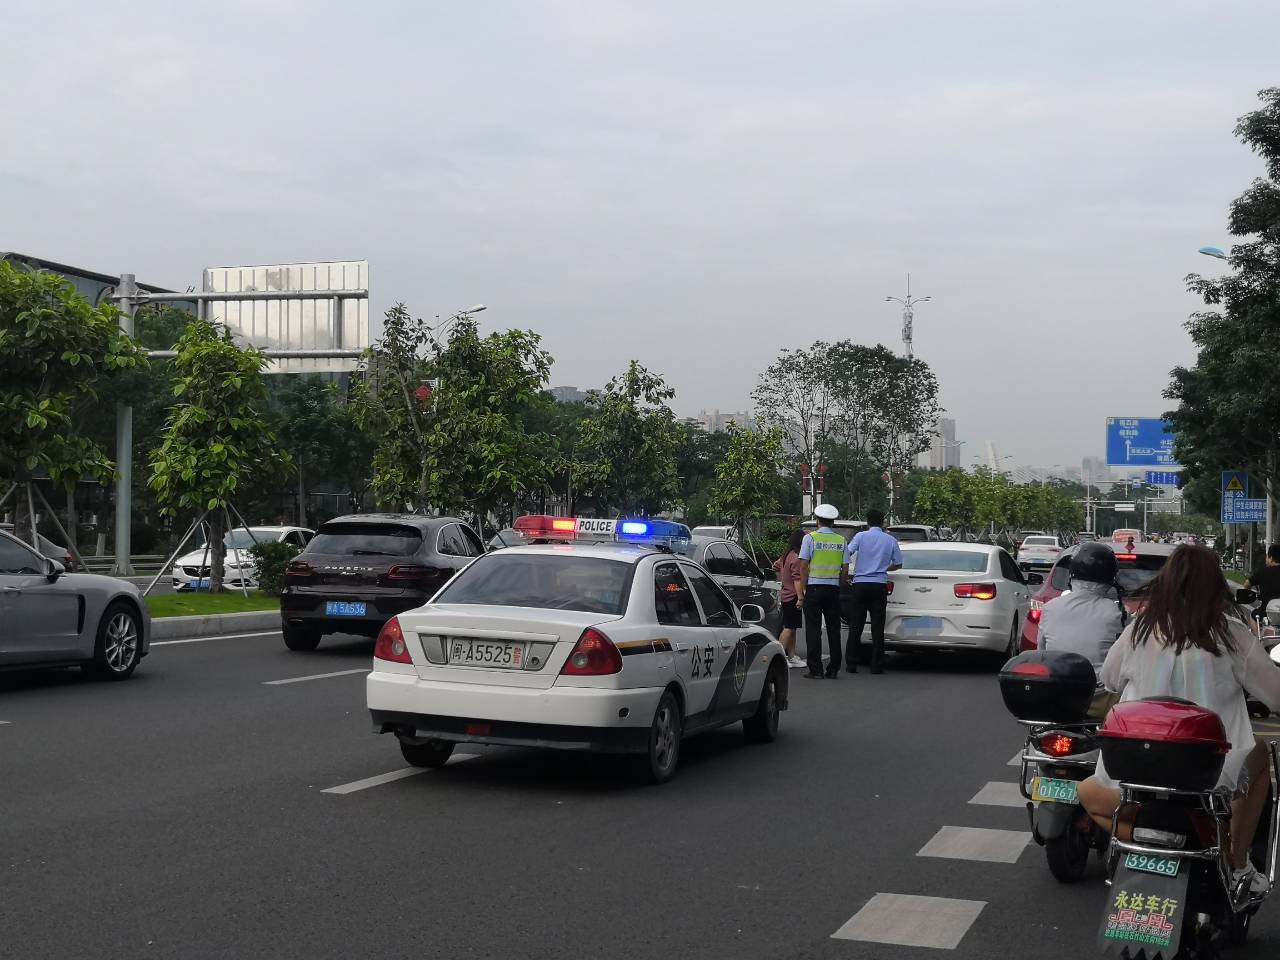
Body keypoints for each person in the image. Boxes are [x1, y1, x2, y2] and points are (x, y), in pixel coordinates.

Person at [1077, 545, 1280, 898]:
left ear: (1166, 583)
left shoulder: (1140, 629)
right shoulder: (1231, 633)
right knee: (1261, 754)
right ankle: (1236, 862)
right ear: (1216, 586)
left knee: (1087, 794)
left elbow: (1109, 679)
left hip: (1138, 773)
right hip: (1210, 777)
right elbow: (1275, 697)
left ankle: (1150, 840)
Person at [1037, 542, 1126, 671]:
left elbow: (1041, 651)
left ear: (1071, 574)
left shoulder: (1049, 608)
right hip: (1099, 683)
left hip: (1055, 680)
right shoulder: (1118, 614)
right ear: (1111, 578)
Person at [843, 509, 903, 675]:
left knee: (856, 625)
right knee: (878, 626)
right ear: (883, 522)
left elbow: (847, 552)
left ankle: (851, 664)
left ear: (867, 522)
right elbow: (899, 563)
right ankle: (876, 664)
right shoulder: (890, 540)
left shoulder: (860, 536)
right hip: (879, 585)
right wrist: (884, 568)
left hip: (860, 584)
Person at [797, 504, 847, 679]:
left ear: (817, 521)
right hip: (833, 589)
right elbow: (845, 568)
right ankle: (833, 668)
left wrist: (803, 588)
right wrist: (839, 585)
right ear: (833, 522)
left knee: (813, 629)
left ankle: (816, 669)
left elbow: (803, 566)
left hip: (814, 588)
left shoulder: (810, 538)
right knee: (834, 629)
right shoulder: (841, 540)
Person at [771, 530, 808, 668]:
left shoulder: (786, 555)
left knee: (792, 627)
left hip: (785, 594)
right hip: (793, 596)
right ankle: (779, 657)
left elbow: (775, 566)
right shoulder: (796, 558)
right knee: (789, 628)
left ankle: (791, 656)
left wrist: (782, 579)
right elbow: (797, 579)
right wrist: (800, 598)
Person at [1245, 544, 1280, 613]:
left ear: (1271, 558)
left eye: (1267, 556)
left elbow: (1247, 584)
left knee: (1253, 615)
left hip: (1265, 611)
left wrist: (1248, 592)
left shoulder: (1262, 572)